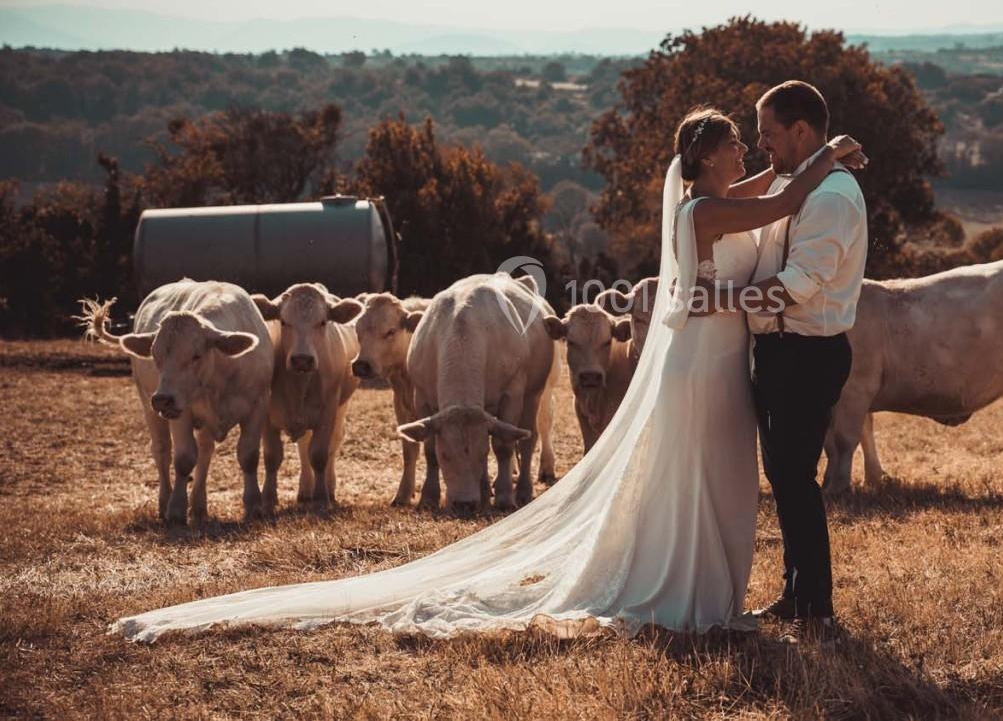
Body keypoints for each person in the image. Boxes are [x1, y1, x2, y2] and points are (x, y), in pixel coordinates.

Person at [110, 104, 864, 643]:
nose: (749, 154)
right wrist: (828, 154)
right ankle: (686, 585)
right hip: (705, 363)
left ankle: (713, 583)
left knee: (722, 473)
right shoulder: (702, 209)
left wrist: (805, 164)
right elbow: (789, 193)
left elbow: (773, 195)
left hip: (722, 358)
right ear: (703, 160)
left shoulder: (726, 199)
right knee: (700, 471)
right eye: (739, 144)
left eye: (754, 143)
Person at [697, 81, 869, 641]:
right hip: (775, 352)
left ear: (800, 131)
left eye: (769, 133)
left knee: (795, 477)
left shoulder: (833, 199)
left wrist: (723, 301)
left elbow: (797, 286)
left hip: (808, 353)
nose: (761, 143)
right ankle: (796, 594)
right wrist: (832, 150)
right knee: (784, 477)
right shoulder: (800, 183)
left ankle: (816, 606)